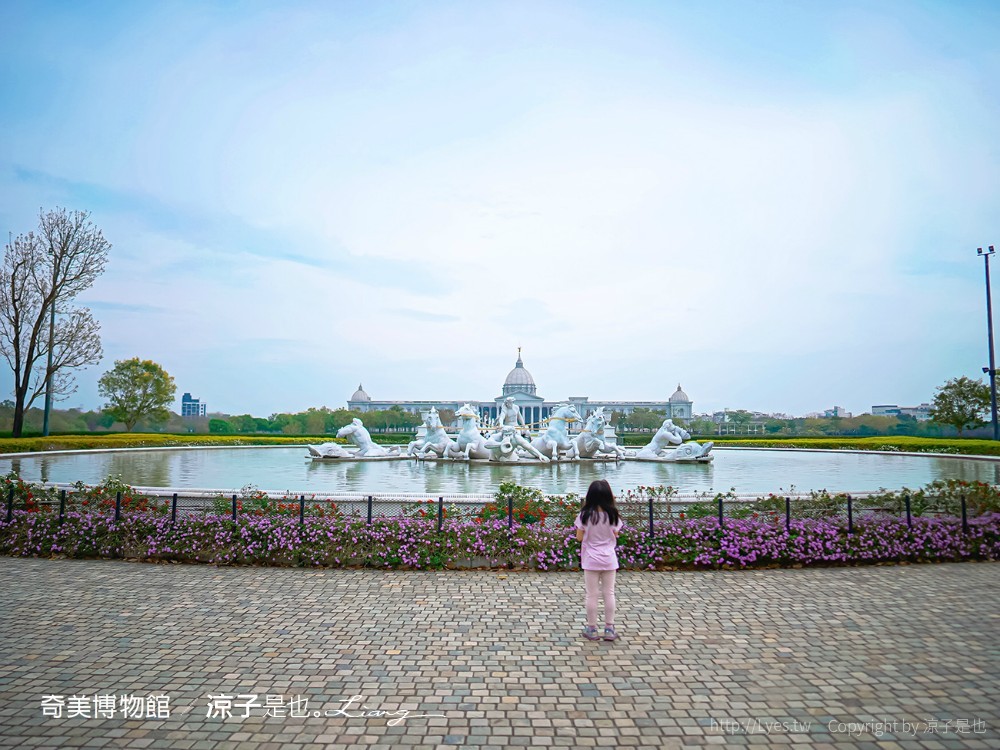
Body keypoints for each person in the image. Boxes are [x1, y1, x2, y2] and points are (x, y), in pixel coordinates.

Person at [574, 479, 623, 641]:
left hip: (591, 559)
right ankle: (609, 628)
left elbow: (579, 537)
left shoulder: (584, 515)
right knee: (609, 593)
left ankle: (592, 628)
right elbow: (616, 534)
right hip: (609, 559)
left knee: (592, 595)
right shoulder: (613, 515)